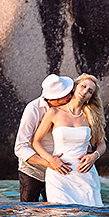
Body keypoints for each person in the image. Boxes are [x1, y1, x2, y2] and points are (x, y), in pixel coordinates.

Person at [31, 73, 107, 207]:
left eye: (90, 91)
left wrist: (94, 156)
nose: (85, 92)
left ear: (90, 97)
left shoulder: (92, 116)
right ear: (74, 87)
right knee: (61, 216)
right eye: (83, 86)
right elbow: (36, 142)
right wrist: (51, 159)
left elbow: (102, 145)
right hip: (59, 172)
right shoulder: (54, 112)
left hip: (85, 174)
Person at [14, 74, 75, 202]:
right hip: (33, 171)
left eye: (69, 93)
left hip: (61, 171)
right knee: (29, 213)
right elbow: (20, 147)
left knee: (59, 212)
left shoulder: (71, 106)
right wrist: (49, 162)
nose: (69, 97)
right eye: (63, 98)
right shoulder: (33, 109)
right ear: (50, 99)